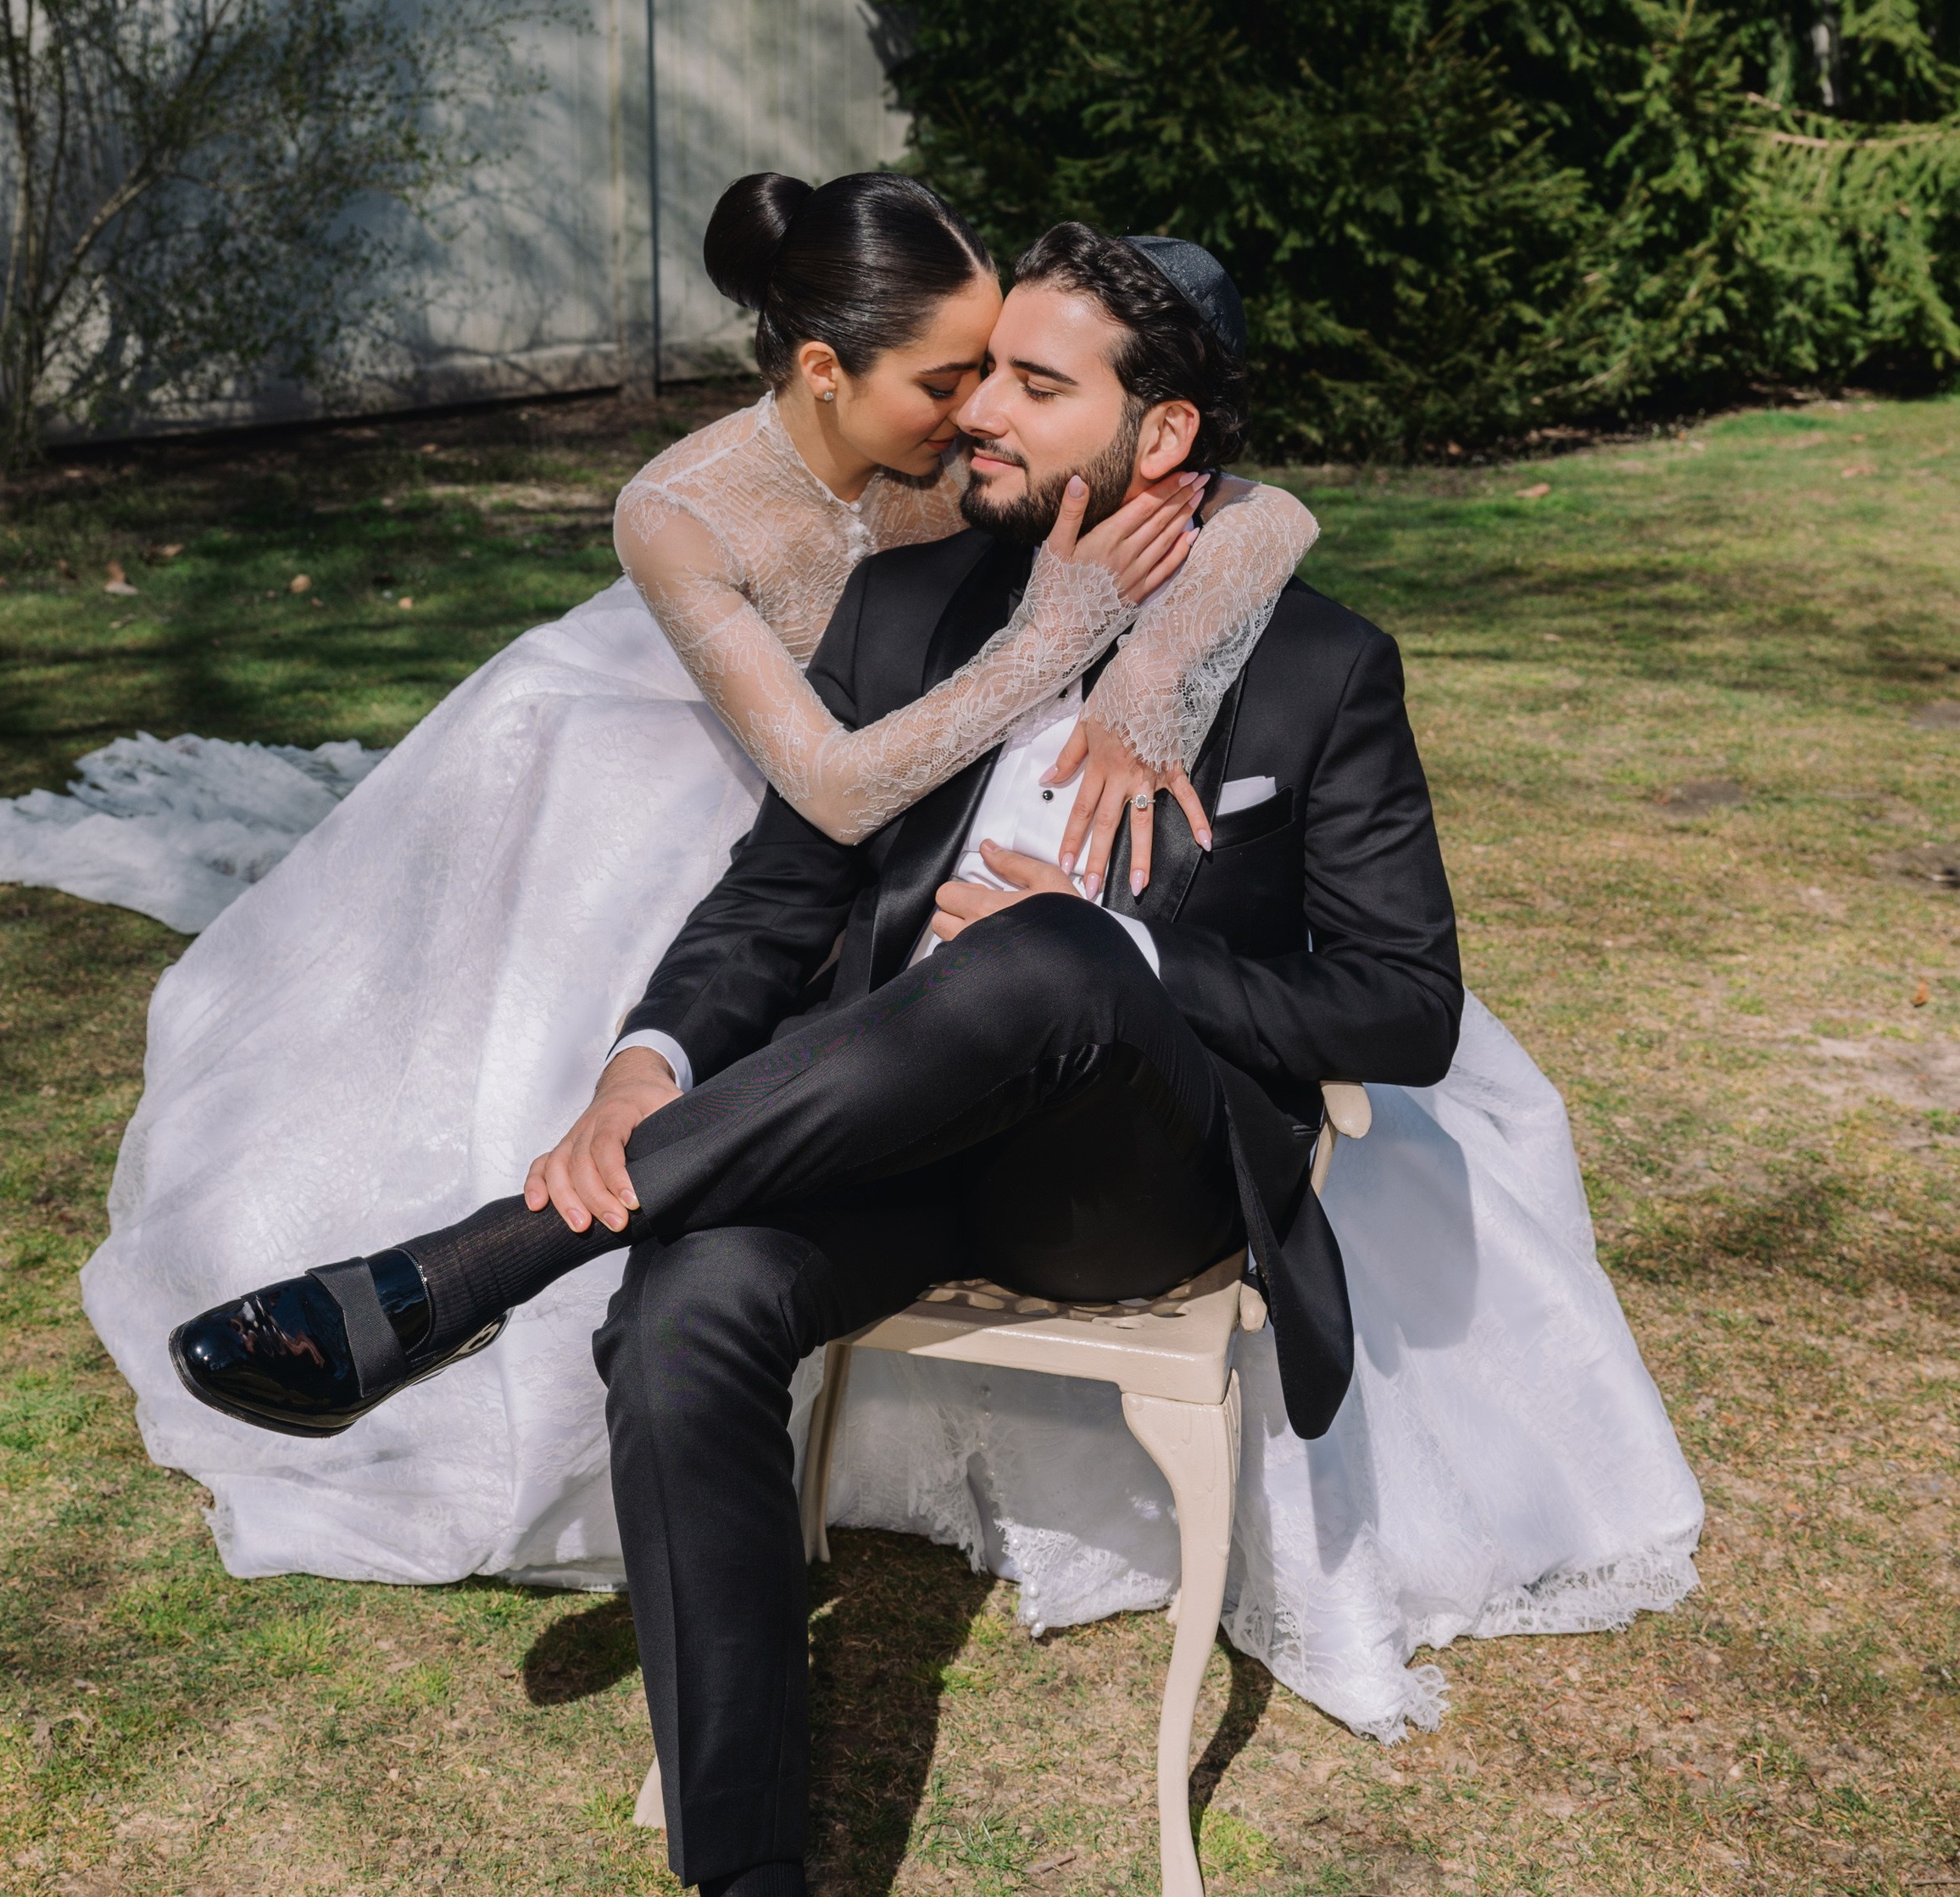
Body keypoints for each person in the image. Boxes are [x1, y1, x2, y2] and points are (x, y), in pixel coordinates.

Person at [169, 228, 1701, 1897]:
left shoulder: (1318, 659)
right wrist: (640, 1069)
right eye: (979, 381)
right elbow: (771, 896)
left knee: (1067, 950)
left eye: (1035, 388)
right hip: (871, 1142)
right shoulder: (911, 610)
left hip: (1118, 1176)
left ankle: (455, 1273)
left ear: (1160, 434)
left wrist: (1136, 964)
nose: (975, 413)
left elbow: (1398, 1009)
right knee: (686, 1308)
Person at [85, 172, 1317, 1579]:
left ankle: (472, 1271)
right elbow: (835, 789)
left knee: (915, 1009)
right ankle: (533, 1348)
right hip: (747, 780)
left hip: (919, 783)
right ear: (822, 371)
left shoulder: (961, 474)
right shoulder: (683, 508)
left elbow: (1257, 506)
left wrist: (1146, 669)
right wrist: (1058, 637)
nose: (981, 409)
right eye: (949, 376)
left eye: (999, 371)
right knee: (604, 1060)